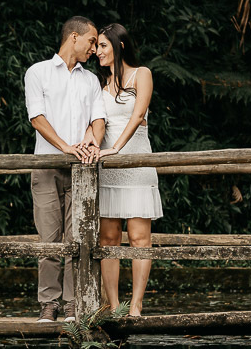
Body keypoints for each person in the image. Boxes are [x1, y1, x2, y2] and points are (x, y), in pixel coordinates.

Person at [25, 16, 106, 322]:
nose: (94, 48)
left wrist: (92, 140)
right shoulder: (38, 72)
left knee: (76, 239)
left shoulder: (90, 80)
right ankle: (49, 303)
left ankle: (73, 303)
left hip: (81, 169)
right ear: (74, 37)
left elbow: (98, 119)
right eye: (91, 41)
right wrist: (65, 146)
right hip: (46, 166)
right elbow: (37, 118)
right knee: (49, 239)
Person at [96, 23, 162, 317]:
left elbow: (137, 116)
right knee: (108, 239)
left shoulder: (141, 74)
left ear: (119, 45)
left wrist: (116, 148)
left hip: (136, 165)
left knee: (139, 238)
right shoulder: (100, 85)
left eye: (103, 46)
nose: (98, 52)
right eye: (97, 47)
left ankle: (135, 306)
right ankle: (113, 306)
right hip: (109, 170)